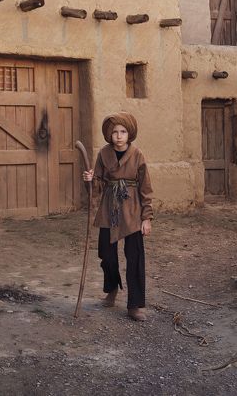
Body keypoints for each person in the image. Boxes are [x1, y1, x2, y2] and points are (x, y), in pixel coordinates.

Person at [82, 112, 153, 321]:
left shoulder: (137, 155)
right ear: (109, 134)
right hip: (109, 209)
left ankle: (135, 305)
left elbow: (145, 189)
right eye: (115, 132)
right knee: (107, 254)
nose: (119, 136)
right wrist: (90, 180)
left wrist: (146, 218)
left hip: (132, 210)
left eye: (123, 132)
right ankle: (112, 289)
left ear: (129, 134)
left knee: (135, 257)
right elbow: (97, 187)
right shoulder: (104, 154)